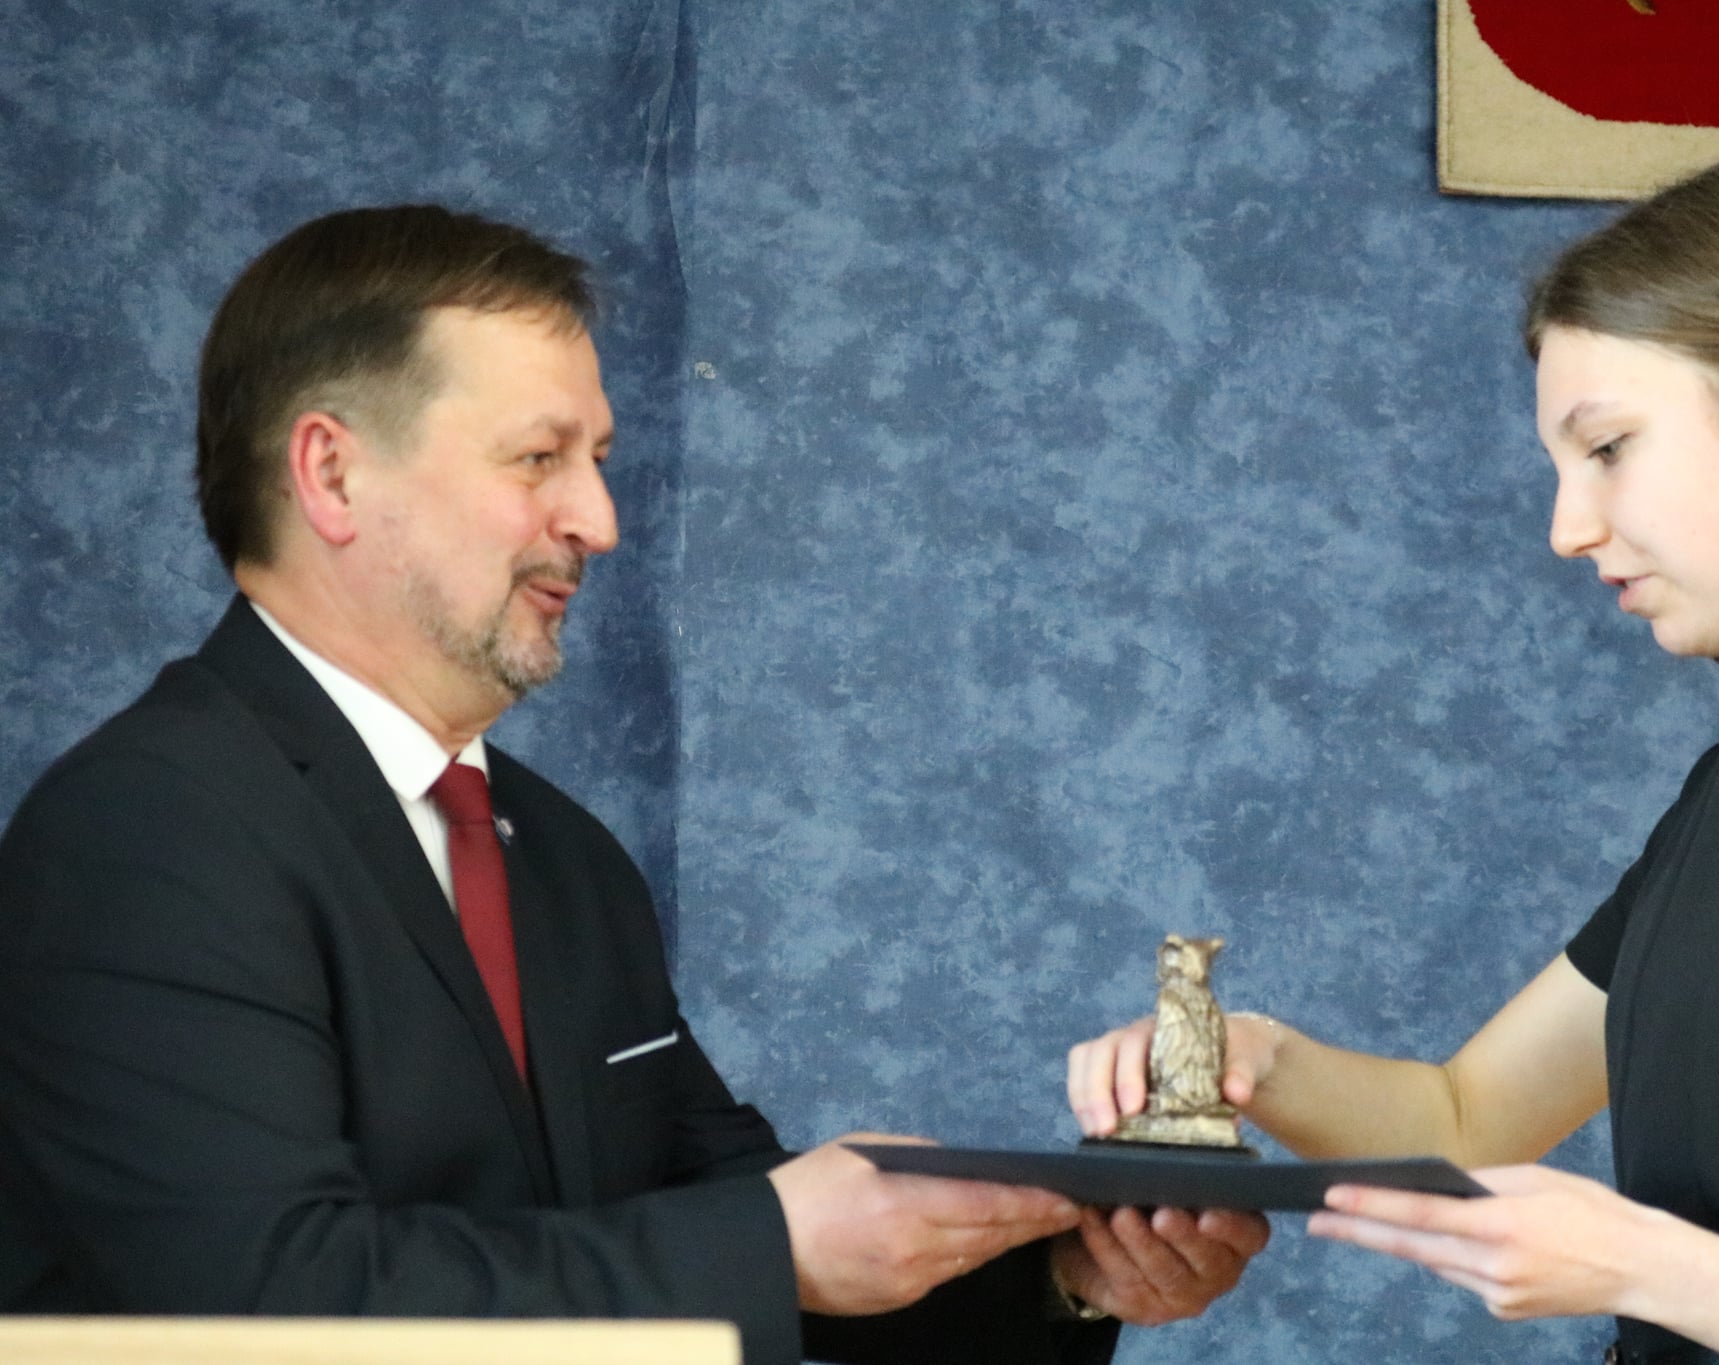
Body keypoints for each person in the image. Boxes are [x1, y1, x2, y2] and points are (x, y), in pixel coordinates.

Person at [0, 204, 1266, 1365]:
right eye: (538, 458)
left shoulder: (560, 855)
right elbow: (266, 1304)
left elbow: (701, 1209)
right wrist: (769, 1244)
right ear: (332, 473)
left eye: (596, 459)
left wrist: (1068, 1274)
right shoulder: (145, 832)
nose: (598, 521)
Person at [1068, 158, 1719, 1364]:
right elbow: (1468, 1118)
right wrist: (1250, 1061)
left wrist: (1642, 1266)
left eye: (1609, 447)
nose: (1566, 528)